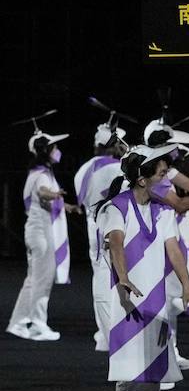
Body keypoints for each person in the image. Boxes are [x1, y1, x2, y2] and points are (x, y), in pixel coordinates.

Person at [97, 145, 189, 391]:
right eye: (159, 171)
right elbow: (116, 242)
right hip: (128, 301)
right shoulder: (115, 208)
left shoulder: (164, 211)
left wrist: (187, 288)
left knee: (156, 368)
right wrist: (123, 276)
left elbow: (174, 250)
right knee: (131, 369)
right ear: (141, 179)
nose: (165, 175)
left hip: (157, 301)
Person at [7, 125, 73, 342]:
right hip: (41, 233)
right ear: (45, 150)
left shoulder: (38, 173)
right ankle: (38, 324)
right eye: (54, 147)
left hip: (36, 231)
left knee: (33, 279)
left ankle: (17, 323)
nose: (58, 151)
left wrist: (67, 206)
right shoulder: (41, 175)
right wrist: (54, 194)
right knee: (42, 280)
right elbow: (43, 193)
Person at [76, 120, 129, 350]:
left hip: (92, 223)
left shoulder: (84, 168)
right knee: (109, 278)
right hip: (107, 223)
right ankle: (111, 335)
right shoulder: (113, 168)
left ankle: (103, 333)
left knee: (100, 276)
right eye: (119, 142)